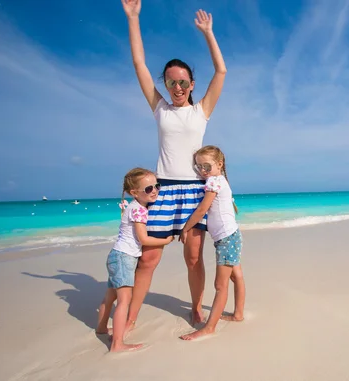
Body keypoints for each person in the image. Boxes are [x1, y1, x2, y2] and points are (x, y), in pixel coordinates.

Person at [121, 0, 227, 330]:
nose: (177, 88)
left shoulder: (201, 111)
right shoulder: (160, 109)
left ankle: (195, 308)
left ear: (191, 85)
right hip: (162, 190)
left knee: (193, 257)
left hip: (196, 191)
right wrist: (133, 19)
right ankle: (132, 315)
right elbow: (139, 63)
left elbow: (221, 71)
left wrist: (209, 34)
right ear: (165, 85)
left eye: (183, 82)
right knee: (149, 257)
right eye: (171, 82)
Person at [96, 168, 174, 352]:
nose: (154, 191)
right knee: (124, 300)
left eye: (157, 186)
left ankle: (101, 328)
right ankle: (117, 343)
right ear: (134, 193)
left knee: (110, 296)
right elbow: (144, 239)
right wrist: (167, 240)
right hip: (124, 258)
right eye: (148, 189)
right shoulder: (139, 210)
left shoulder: (133, 206)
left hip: (117, 255)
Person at [179, 146, 246, 341]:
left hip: (226, 238)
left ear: (220, 164)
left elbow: (202, 210)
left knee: (220, 285)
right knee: (237, 276)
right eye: (198, 167)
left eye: (206, 166)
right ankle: (238, 314)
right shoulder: (218, 179)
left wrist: (185, 228)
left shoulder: (214, 182)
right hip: (231, 236)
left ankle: (209, 327)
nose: (202, 171)